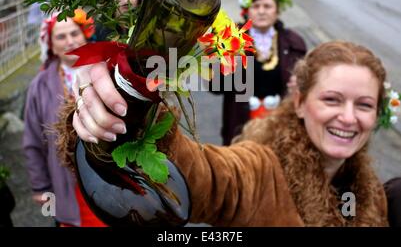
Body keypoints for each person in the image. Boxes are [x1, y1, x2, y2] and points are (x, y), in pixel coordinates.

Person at [59, 40, 391, 226]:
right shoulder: (259, 170)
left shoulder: (372, 192)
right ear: (301, 103)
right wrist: (130, 103)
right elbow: (204, 176)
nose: (348, 117)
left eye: (364, 105)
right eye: (332, 99)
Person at [22, 10, 105, 227]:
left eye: (74, 33)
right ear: (51, 44)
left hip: (107, 178)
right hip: (66, 184)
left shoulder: (105, 70)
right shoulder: (39, 86)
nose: (70, 41)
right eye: (61, 36)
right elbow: (33, 141)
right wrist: (41, 187)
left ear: (85, 34)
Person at [216, 0, 307, 145]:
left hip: (280, 125)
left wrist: (299, 85)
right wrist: (229, 65)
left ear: (277, 11)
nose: (261, 11)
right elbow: (216, 87)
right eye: (256, 6)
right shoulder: (231, 38)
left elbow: (305, 86)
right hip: (240, 124)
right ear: (247, 11)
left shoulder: (293, 42)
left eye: (267, 6)